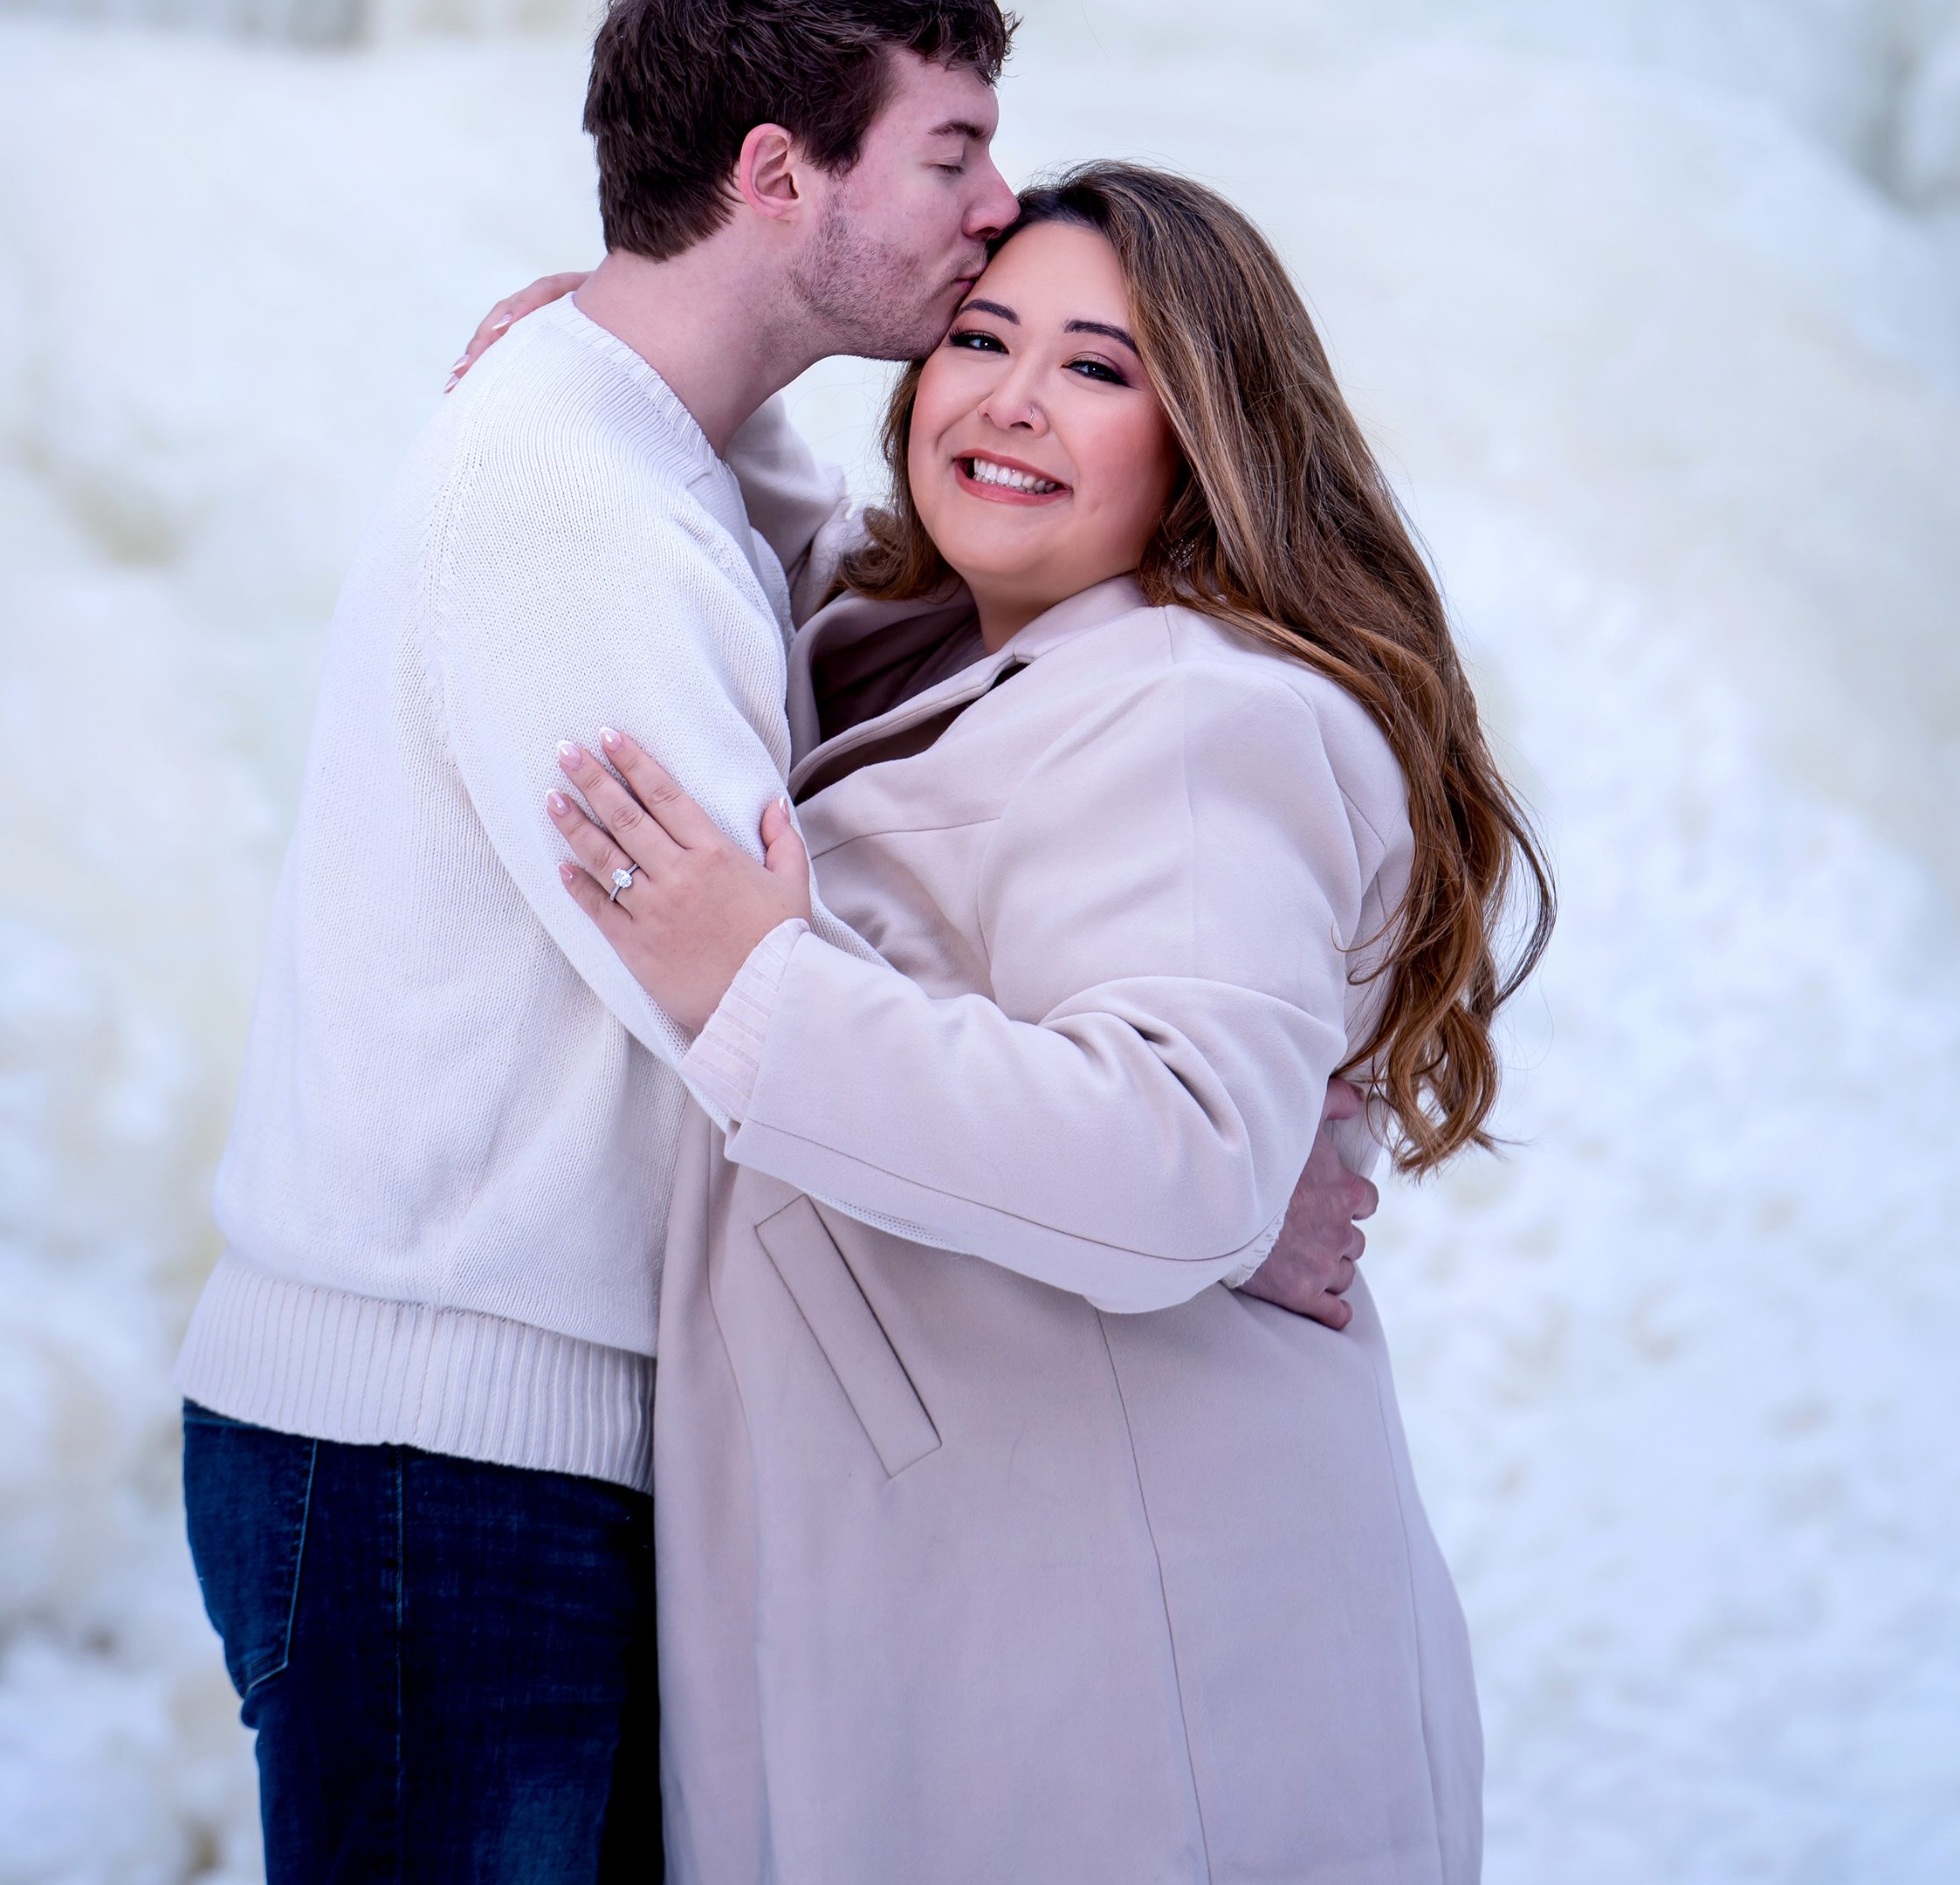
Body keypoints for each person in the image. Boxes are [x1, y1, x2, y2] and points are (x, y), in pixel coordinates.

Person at [177, 0, 1372, 1882]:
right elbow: (755, 1002)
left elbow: (819, 672)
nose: (988, 211)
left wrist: (1210, 1138)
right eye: (952, 154)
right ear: (771, 175)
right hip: (439, 1465)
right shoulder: (579, 510)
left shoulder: (647, 471)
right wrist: (1204, 1192)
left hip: (504, 1452)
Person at [545, 162, 1554, 1884]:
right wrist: (626, 352)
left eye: (1097, 367)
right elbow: (801, 559)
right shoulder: (919, 651)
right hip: (996, 1615)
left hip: (1128, 1682)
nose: (1010, 399)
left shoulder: (1193, 710)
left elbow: (1173, 1158)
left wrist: (756, 987)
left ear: (1205, 438)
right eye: (979, 339)